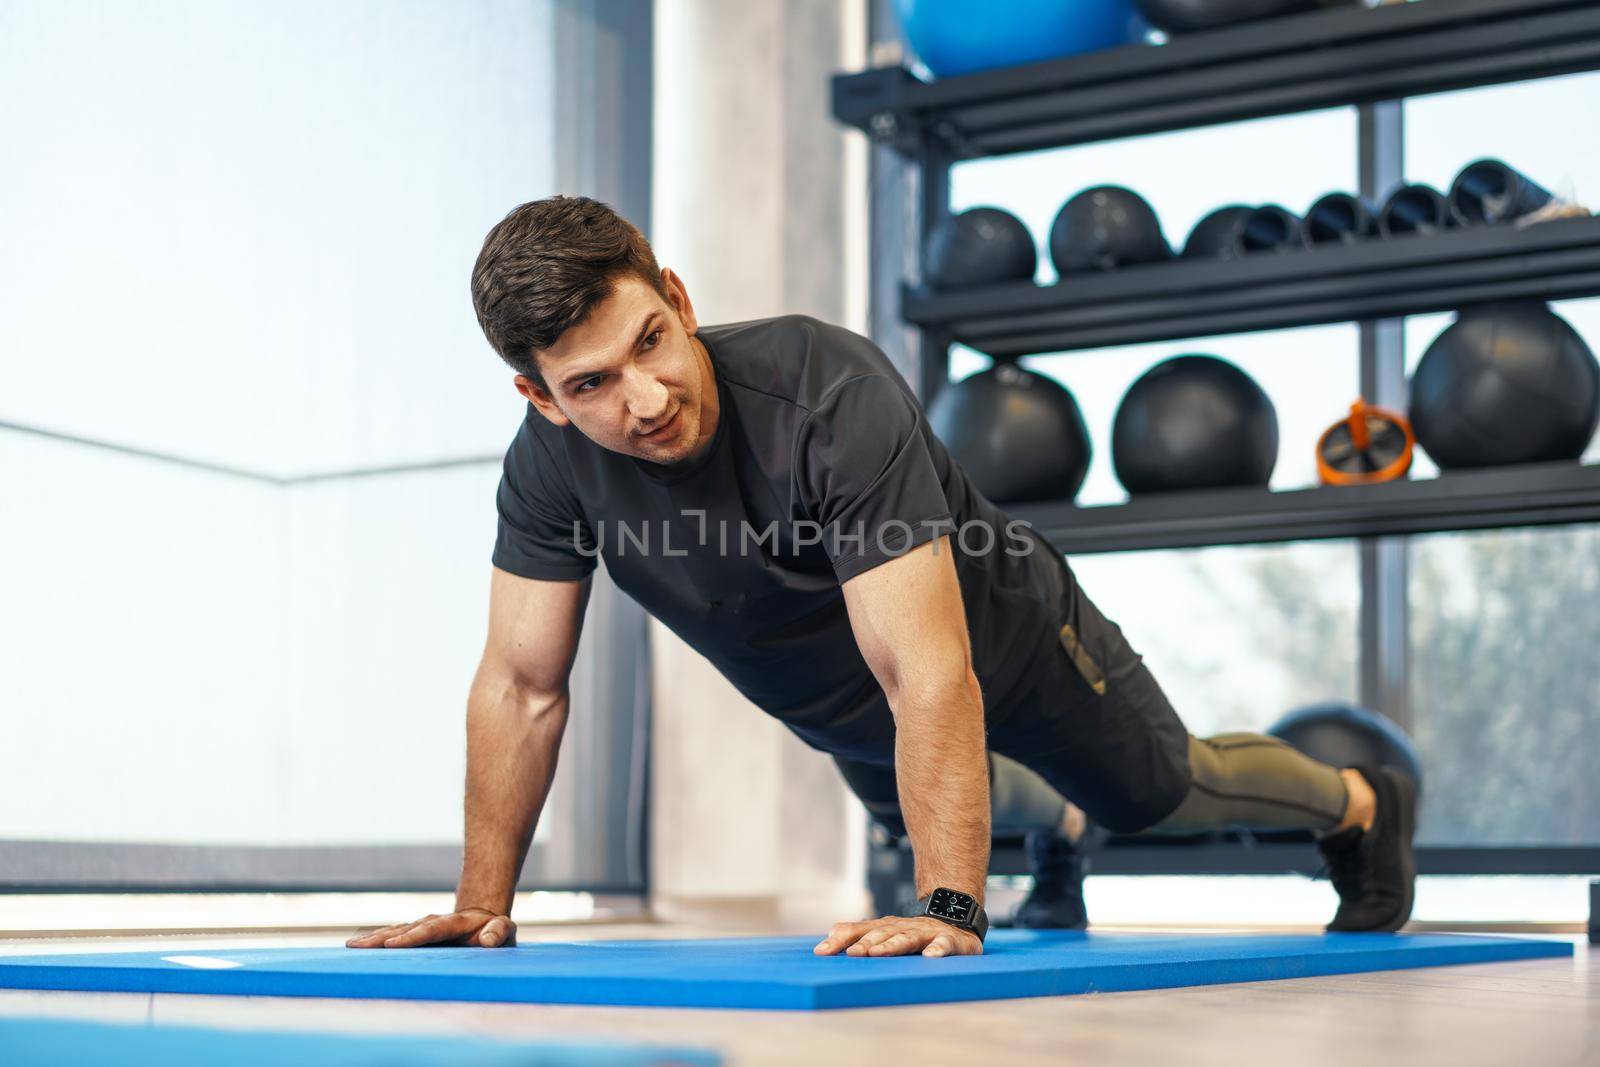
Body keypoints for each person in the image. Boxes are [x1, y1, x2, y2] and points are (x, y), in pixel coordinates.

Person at [348, 197, 1417, 959]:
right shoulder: (549, 467)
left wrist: (952, 901)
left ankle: (1361, 805)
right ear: (537, 397)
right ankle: (1058, 833)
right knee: (968, 797)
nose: (645, 396)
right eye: (589, 382)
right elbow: (523, 684)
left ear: (675, 295)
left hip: (999, 643)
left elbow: (927, 670)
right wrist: (480, 901)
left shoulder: (826, 390)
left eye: (652, 340)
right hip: (849, 706)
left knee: (1156, 787)